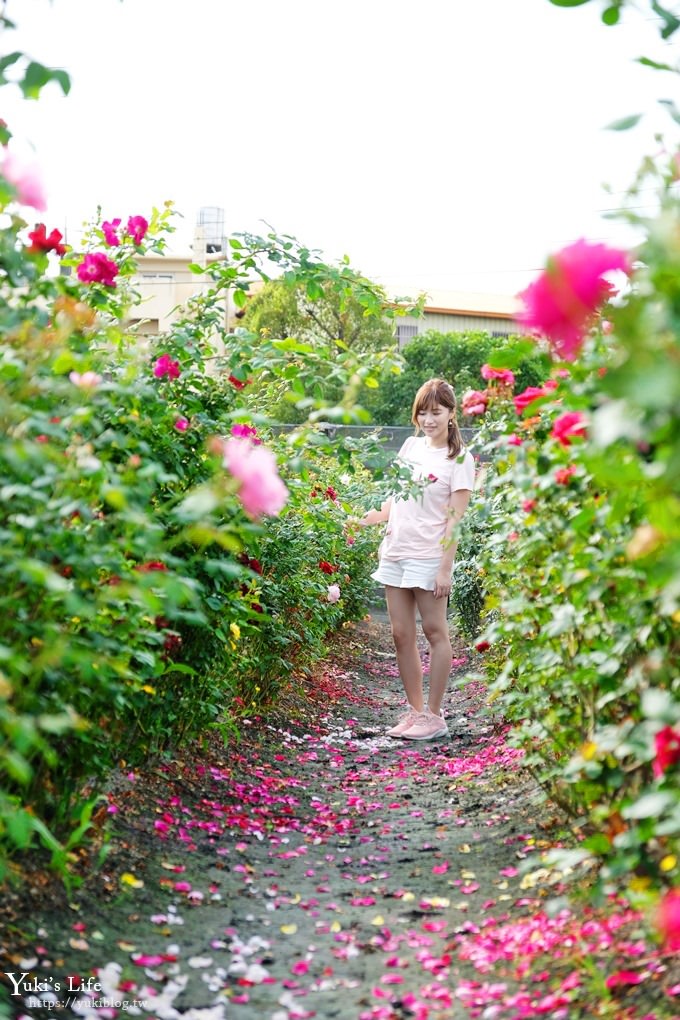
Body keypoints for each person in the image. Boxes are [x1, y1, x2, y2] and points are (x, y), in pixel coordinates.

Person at [350, 378, 475, 741]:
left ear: (452, 413)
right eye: (423, 412)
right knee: (401, 634)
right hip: (396, 550)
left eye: (436, 412)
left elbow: (455, 519)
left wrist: (445, 568)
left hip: (429, 556)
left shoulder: (460, 459)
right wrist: (365, 518)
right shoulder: (410, 445)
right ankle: (416, 711)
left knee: (435, 632)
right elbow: (395, 499)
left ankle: (434, 715)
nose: (428, 419)